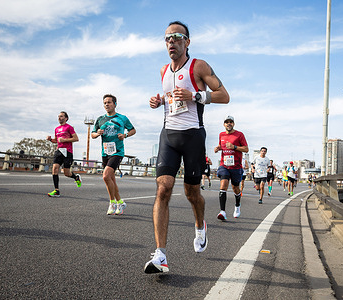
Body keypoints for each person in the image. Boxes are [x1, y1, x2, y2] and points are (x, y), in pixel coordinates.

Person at [145, 21, 230, 274]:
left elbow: (224, 95)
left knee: (192, 194)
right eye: (167, 38)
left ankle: (200, 224)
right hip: (169, 135)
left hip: (193, 136)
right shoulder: (163, 70)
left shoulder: (198, 66)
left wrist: (195, 96)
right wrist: (159, 100)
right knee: (163, 188)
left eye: (177, 37)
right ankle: (160, 255)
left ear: (187, 42)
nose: (171, 41)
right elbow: (171, 99)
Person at [91, 94, 136, 215]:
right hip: (105, 152)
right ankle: (120, 202)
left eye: (109, 102)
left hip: (118, 152)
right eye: (105, 103)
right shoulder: (100, 119)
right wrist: (98, 133)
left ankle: (112, 202)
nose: (107, 104)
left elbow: (133, 130)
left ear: (115, 104)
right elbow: (92, 134)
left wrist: (125, 135)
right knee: (112, 181)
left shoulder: (122, 118)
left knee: (106, 176)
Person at [214, 115, 249, 220]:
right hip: (224, 165)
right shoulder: (221, 134)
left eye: (231, 122)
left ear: (233, 124)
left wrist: (234, 147)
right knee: (223, 185)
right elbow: (222, 146)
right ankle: (222, 212)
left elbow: (246, 149)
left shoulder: (239, 135)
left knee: (235, 188)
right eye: (226, 122)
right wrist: (218, 148)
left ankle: (237, 206)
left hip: (236, 166)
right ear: (224, 124)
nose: (229, 123)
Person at [46, 111, 82, 197]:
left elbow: (76, 139)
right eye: (58, 116)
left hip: (68, 152)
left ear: (66, 118)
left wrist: (64, 140)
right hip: (59, 151)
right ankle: (56, 191)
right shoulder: (56, 129)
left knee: (66, 173)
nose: (59, 118)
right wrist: (51, 139)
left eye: (61, 116)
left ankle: (76, 177)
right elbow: (56, 140)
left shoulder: (69, 127)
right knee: (55, 169)